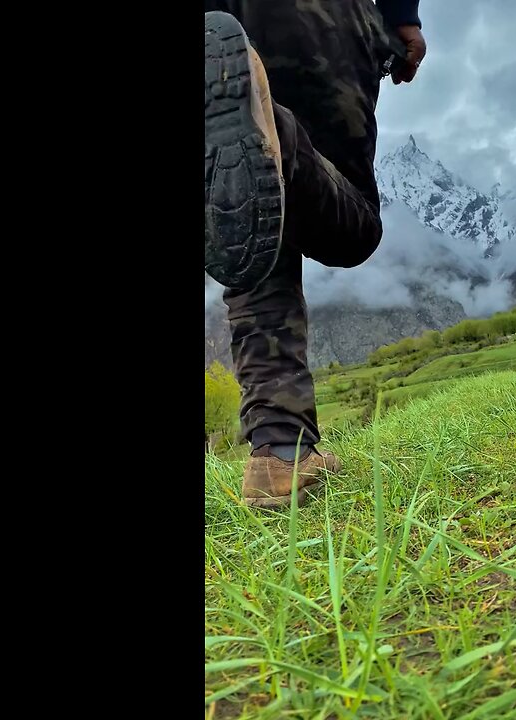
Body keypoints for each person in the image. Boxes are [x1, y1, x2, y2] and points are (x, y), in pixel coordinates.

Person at [204, 1, 427, 507]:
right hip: (324, 17)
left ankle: (281, 450)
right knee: (356, 228)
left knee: (253, 222)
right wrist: (402, 14)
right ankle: (276, 136)